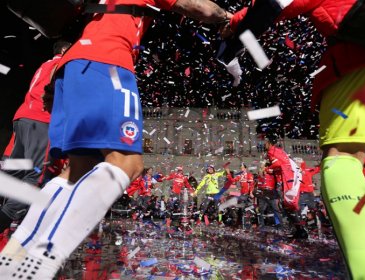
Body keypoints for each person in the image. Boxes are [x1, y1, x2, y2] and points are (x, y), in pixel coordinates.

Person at [0, 0, 233, 278]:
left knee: (75, 172)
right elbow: (201, 8)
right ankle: (40, 262)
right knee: (127, 164)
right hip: (108, 62)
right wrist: (228, 17)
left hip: (69, 68)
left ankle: (14, 260)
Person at [221, 0, 365, 277]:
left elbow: (276, 3)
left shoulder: (278, 154)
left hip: (359, 56)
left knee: (344, 157)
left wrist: (232, 24)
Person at [0, 40, 71, 247]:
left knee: (16, 169)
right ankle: (5, 217)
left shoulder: (44, 64)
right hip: (41, 118)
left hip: (22, 117)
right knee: (35, 172)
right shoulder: (63, 64)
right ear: (65, 51)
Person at [264, 135, 306, 238]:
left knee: (286, 205)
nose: (264, 144)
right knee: (288, 205)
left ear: (269, 143)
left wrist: (268, 168)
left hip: (283, 181)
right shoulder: (279, 151)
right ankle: (298, 229)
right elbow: (284, 163)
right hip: (288, 180)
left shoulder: (271, 152)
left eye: (265, 142)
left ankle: (300, 230)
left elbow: (278, 164)